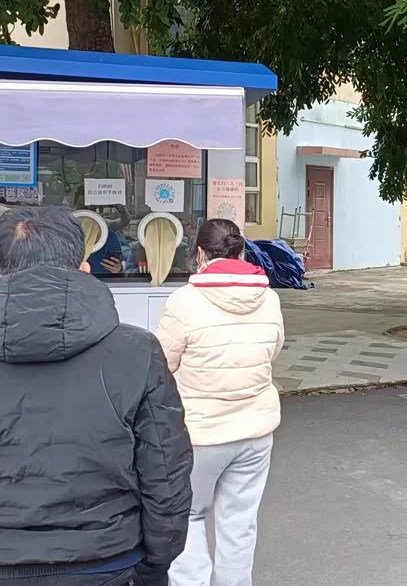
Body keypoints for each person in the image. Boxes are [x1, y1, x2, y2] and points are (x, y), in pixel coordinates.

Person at [0, 207, 192, 585]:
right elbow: (166, 471)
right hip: (108, 560)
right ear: (84, 268)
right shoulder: (138, 352)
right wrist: (157, 559)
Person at [155, 219, 284, 586]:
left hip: (200, 434)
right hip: (256, 431)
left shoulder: (185, 300)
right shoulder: (269, 297)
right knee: (239, 524)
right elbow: (272, 351)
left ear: (200, 254)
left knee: (188, 516)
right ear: (240, 252)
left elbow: (161, 362)